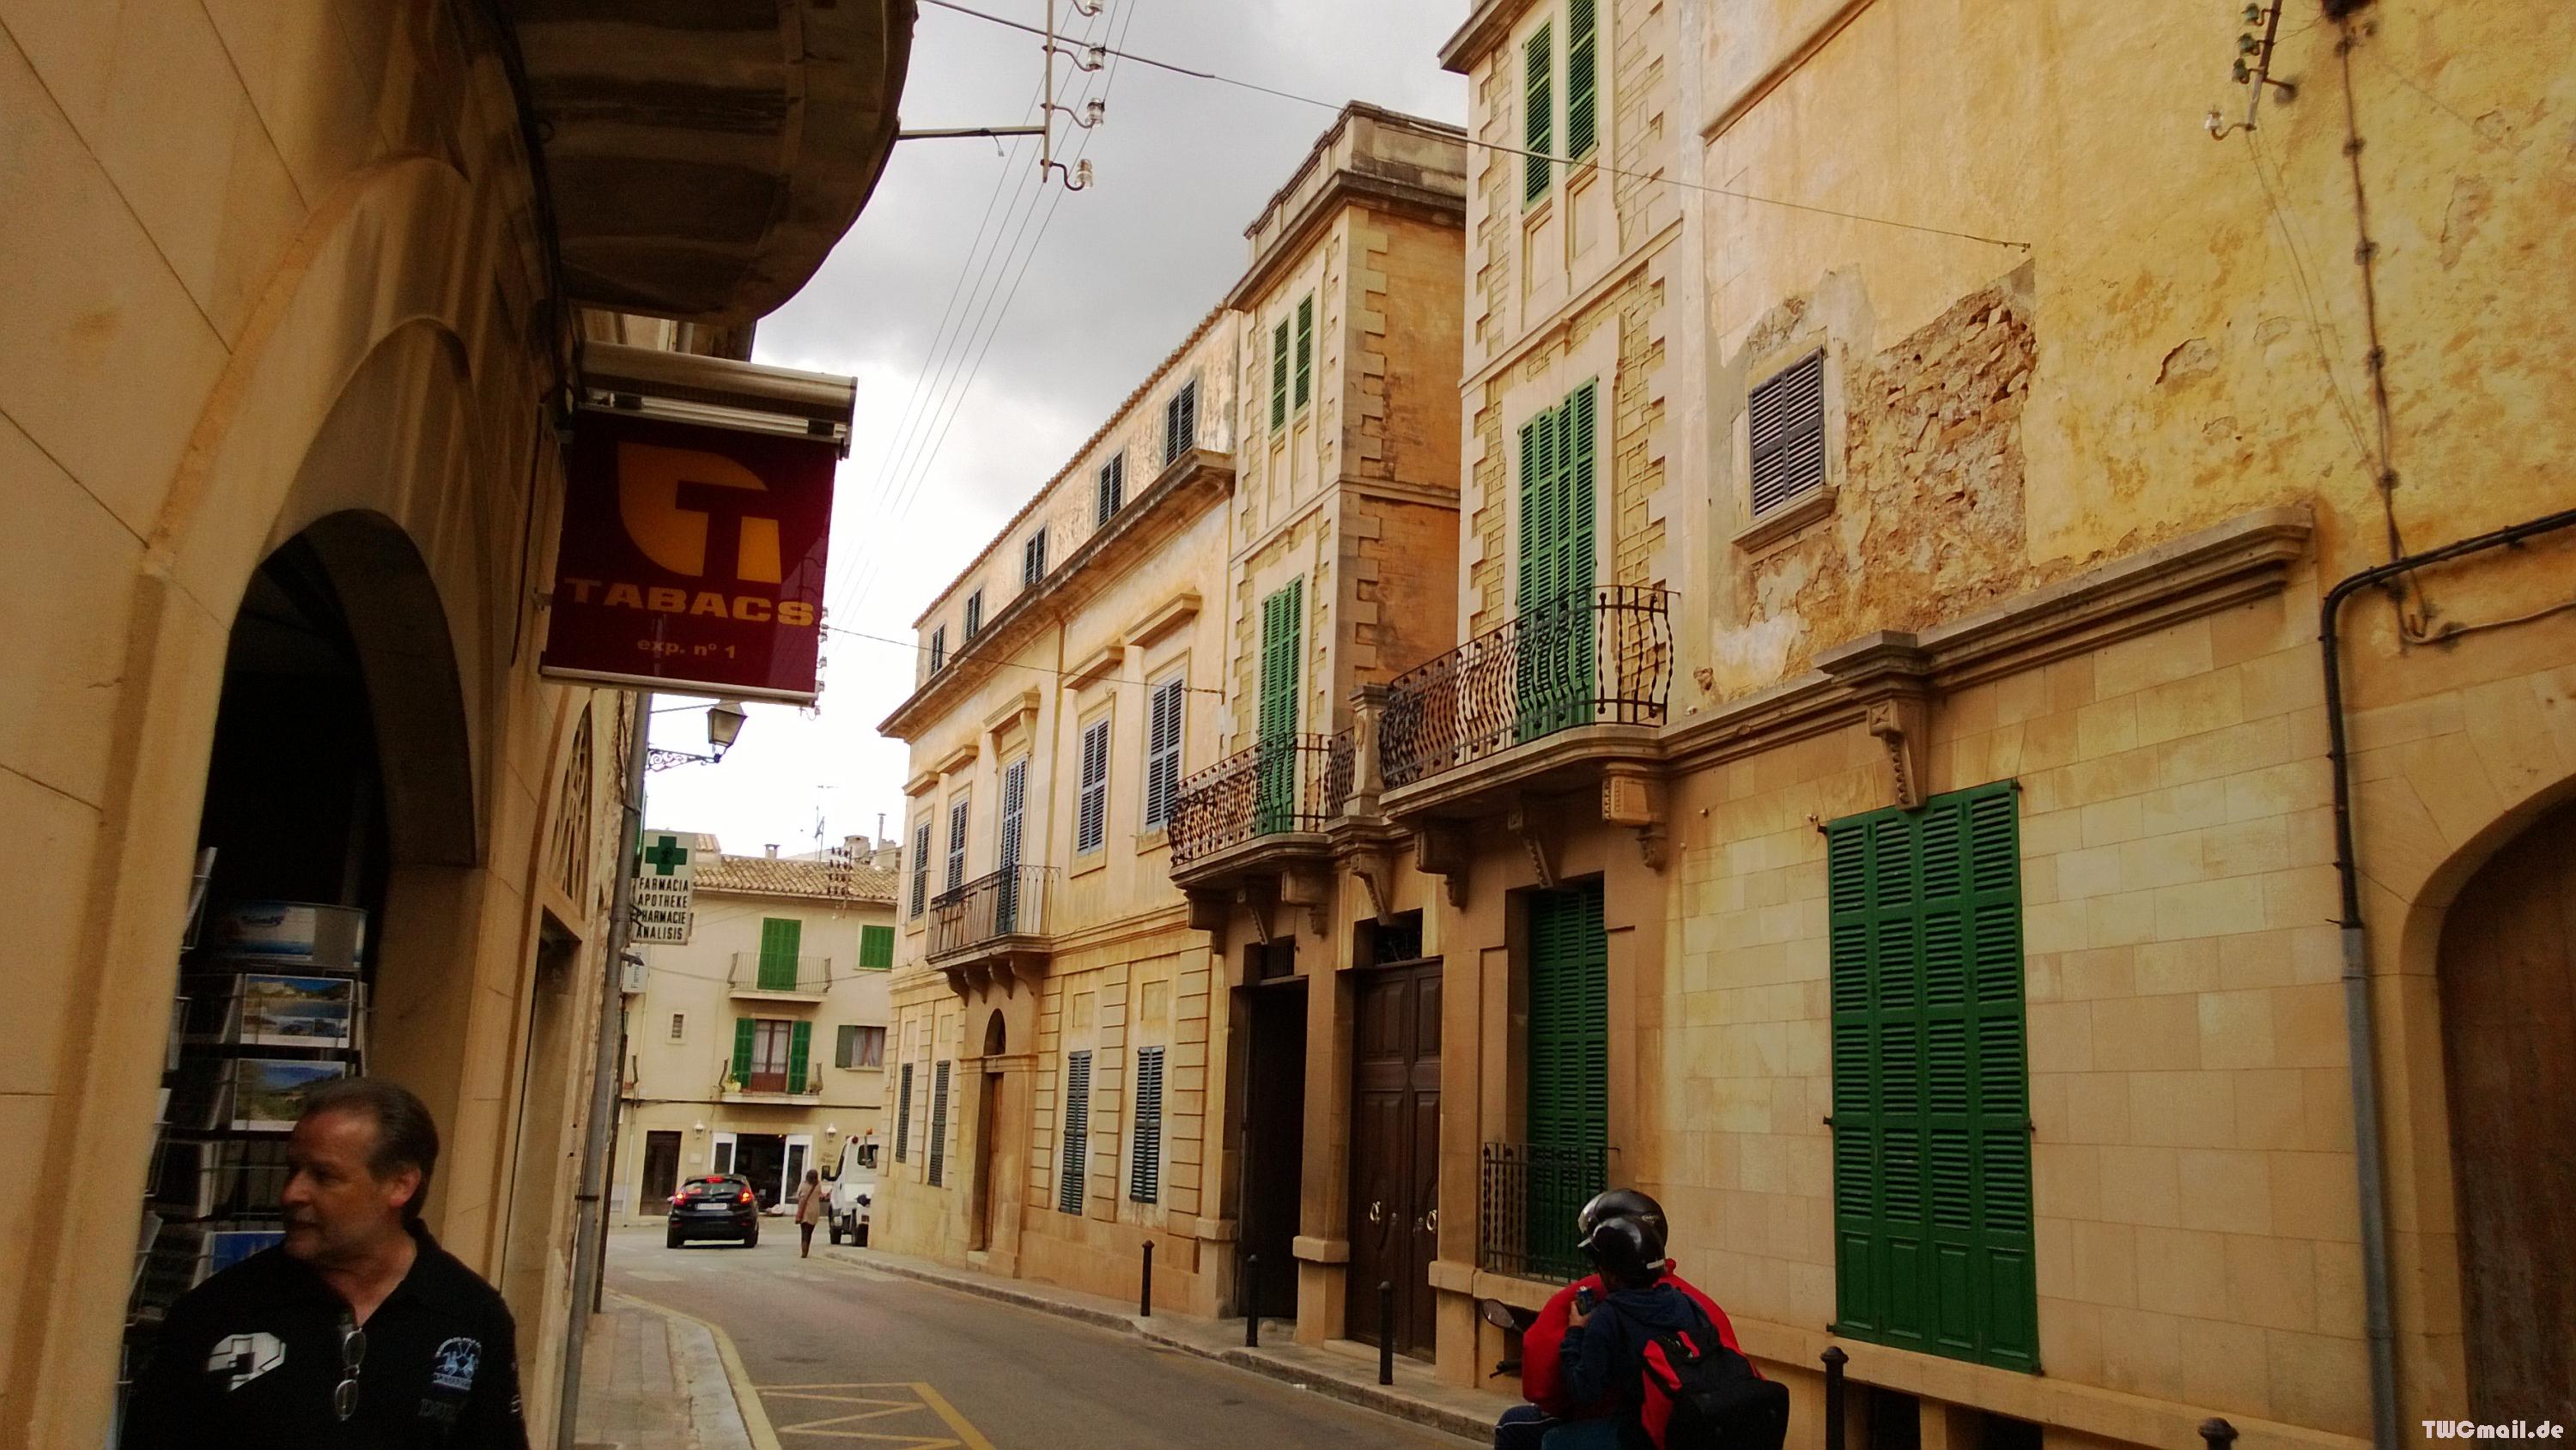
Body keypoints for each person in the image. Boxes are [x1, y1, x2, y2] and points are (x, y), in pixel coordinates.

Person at [126, 1077, 529, 1448]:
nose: (292, 1193)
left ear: (400, 1184)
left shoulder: (469, 1315)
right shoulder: (216, 1311)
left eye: (324, 1176)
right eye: (293, 1170)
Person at [1496, 1189, 1750, 1450]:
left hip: (1641, 1430)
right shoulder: (1688, 1300)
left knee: (1542, 1437)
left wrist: (1575, 1332)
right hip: (1693, 1423)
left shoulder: (1606, 1310)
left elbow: (1573, 1390)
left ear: (1613, 1274)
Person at [793, 1167, 824, 1258]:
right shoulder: (818, 1186)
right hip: (815, 1211)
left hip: (805, 1211)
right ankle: (807, 1249)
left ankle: (804, 1250)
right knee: (810, 1232)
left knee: (804, 1231)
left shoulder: (803, 1185)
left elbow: (798, 1196)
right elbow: (821, 1195)